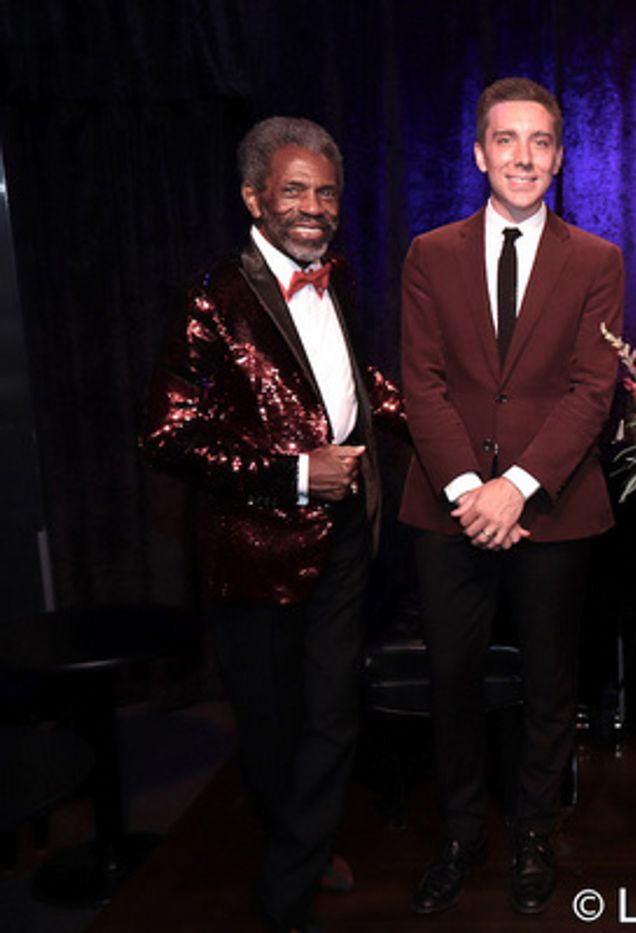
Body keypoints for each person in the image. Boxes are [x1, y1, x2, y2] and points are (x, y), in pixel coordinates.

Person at [143, 116, 405, 932]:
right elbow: (167, 433)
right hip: (255, 552)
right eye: (294, 189)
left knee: (334, 709)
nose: (314, 206)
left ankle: (289, 883)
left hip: (348, 538)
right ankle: (301, 842)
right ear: (254, 196)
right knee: (271, 726)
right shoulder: (210, 297)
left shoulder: (344, 278)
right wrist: (294, 471)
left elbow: (356, 383)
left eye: (326, 192)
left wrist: (430, 412)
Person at [398, 77, 624, 917]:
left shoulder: (597, 259)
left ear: (559, 157)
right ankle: (460, 831)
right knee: (451, 676)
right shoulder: (430, 253)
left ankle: (534, 828)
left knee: (549, 679)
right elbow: (420, 381)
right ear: (479, 152)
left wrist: (517, 488)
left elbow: (591, 390)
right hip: (448, 505)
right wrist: (471, 489)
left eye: (539, 143)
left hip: (554, 507)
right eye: (506, 140)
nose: (522, 156)